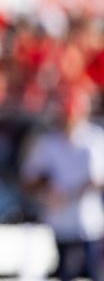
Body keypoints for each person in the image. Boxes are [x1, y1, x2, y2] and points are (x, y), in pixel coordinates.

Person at [21, 88, 104, 281]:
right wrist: (47, 192)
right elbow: (30, 178)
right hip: (60, 220)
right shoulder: (48, 143)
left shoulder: (94, 140)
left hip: (88, 220)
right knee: (65, 271)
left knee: (93, 272)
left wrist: (73, 193)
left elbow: (98, 179)